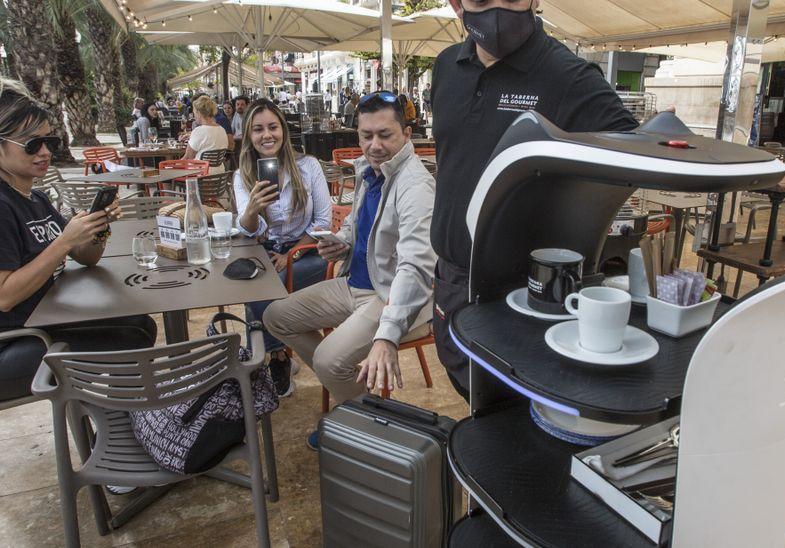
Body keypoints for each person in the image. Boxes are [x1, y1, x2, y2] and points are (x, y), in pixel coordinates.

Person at [429, 0, 639, 399]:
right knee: (467, 387)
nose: (496, 9)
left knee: (520, 408)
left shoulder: (569, 76)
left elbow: (629, 155)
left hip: (525, 291)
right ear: (458, 5)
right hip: (452, 278)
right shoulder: (445, 67)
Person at [0, 69, 156, 404]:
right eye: (32, 144)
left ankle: (121, 424)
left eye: (49, 142)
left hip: (29, 329)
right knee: (129, 338)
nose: (44, 152)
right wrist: (64, 242)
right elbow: (2, 296)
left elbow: (86, 257)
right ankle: (117, 431)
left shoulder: (35, 198)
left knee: (138, 324)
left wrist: (96, 229)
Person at [263, 92, 436, 450]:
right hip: (353, 282)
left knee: (329, 359)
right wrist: (340, 241)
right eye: (365, 135)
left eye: (384, 135)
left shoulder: (416, 185)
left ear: (406, 134)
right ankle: (356, 395)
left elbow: (416, 267)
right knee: (276, 316)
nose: (374, 145)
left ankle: (369, 423)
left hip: (390, 295)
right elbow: (359, 226)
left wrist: (387, 335)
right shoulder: (369, 172)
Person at [233, 99, 333, 397]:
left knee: (266, 287)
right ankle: (270, 355)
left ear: (284, 131)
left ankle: (273, 358)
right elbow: (249, 230)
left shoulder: (308, 166)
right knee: (247, 284)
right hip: (266, 252)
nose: (267, 135)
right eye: (258, 129)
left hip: (309, 253)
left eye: (273, 127)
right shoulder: (243, 175)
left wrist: (291, 253)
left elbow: (323, 222)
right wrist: (252, 209)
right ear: (249, 136)